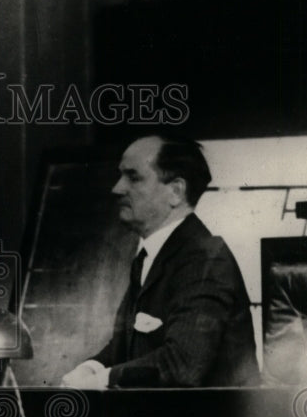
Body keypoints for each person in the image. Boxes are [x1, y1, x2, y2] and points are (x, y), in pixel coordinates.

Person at [61, 134, 259, 389]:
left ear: (176, 192)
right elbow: (126, 348)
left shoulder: (205, 260)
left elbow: (182, 365)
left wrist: (101, 380)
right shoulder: (151, 257)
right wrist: (89, 368)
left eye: (133, 177)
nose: (117, 188)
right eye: (121, 176)